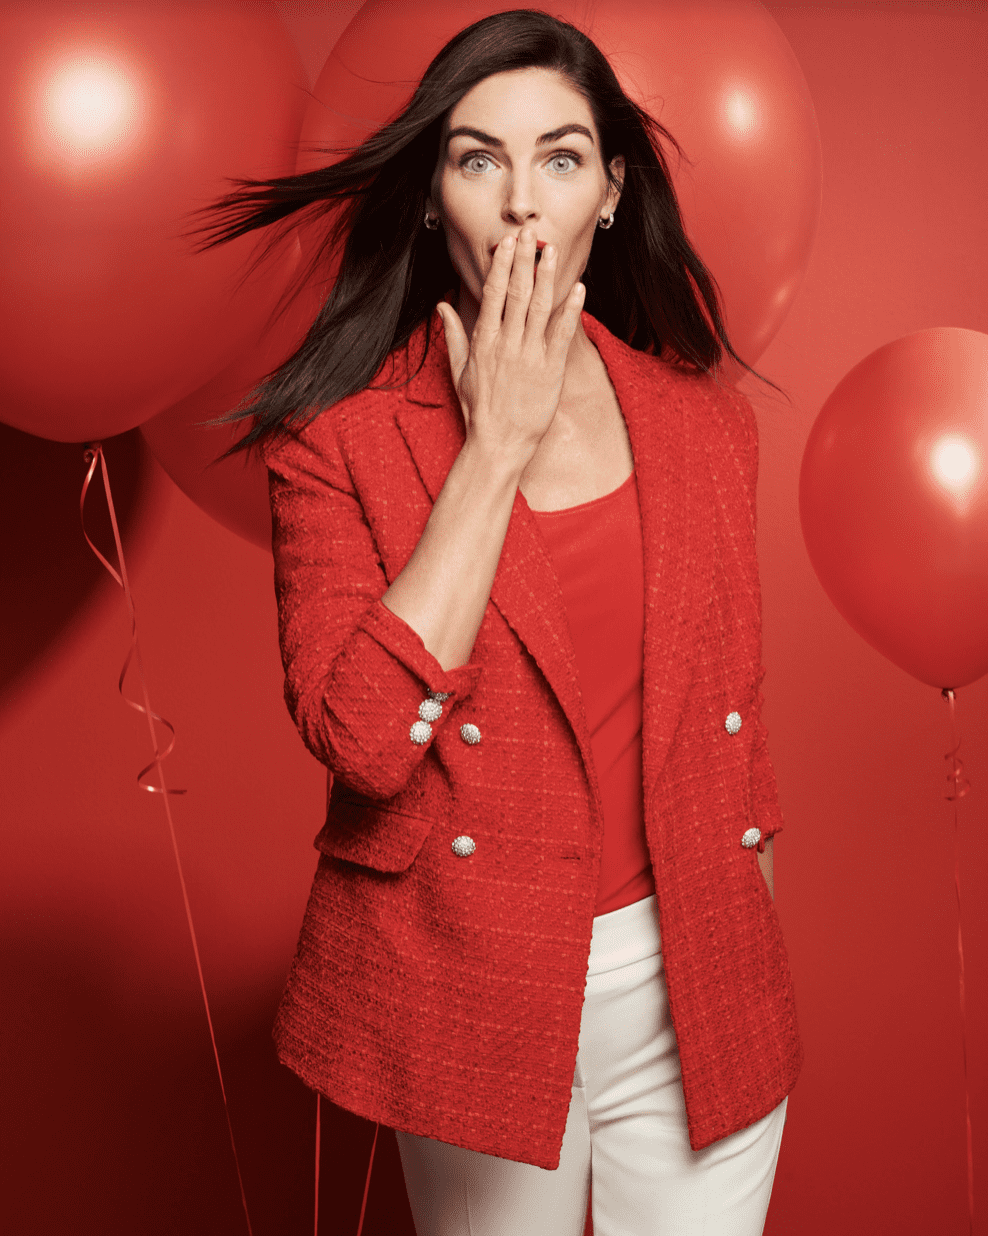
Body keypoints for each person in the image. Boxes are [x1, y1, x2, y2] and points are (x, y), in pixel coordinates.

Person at [190, 10, 803, 1235]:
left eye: (560, 158)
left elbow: (729, 720)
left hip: (698, 986)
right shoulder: (338, 440)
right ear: (432, 198)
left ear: (610, 194)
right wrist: (494, 449)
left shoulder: (704, 425)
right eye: (479, 159)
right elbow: (363, 738)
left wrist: (747, 946)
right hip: (473, 992)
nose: (522, 201)